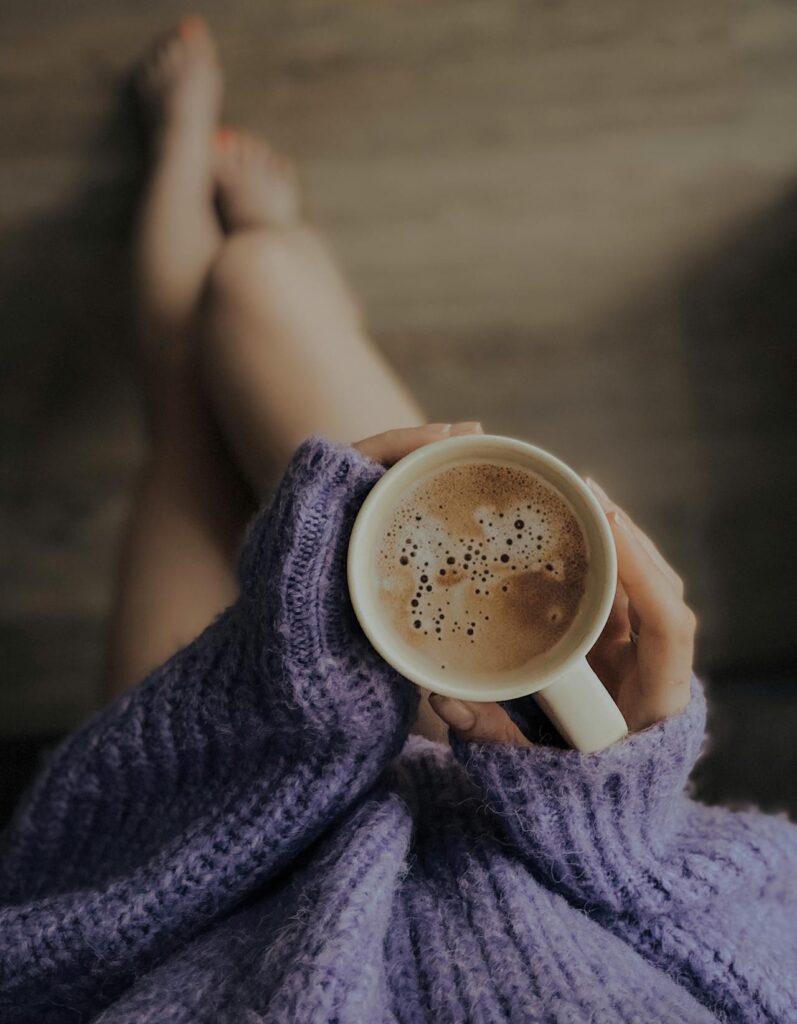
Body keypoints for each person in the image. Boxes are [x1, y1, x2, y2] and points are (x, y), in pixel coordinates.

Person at [0, 18, 795, 1023]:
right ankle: (259, 246)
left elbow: (41, 947)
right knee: (257, 285)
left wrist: (269, 689)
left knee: (197, 385)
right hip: (512, 812)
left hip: (198, 870)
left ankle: (193, 182)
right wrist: (614, 821)